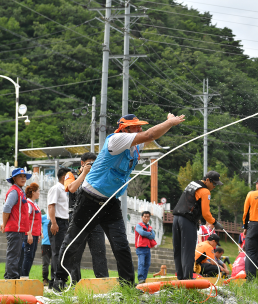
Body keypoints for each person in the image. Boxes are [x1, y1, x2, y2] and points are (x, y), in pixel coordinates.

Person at [54, 113, 184, 291]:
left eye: (140, 126)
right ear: (126, 129)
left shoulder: (136, 146)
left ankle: (128, 286)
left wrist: (169, 124)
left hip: (110, 202)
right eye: (136, 126)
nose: (140, 129)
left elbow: (152, 134)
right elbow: (150, 134)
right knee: (73, 241)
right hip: (89, 199)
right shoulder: (117, 140)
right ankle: (59, 279)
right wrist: (170, 122)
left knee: (121, 245)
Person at [64, 152, 109, 283]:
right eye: (90, 164)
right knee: (75, 254)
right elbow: (71, 189)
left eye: (95, 164)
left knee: (100, 252)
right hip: (77, 218)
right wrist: (84, 174)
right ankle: (74, 284)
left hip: (96, 219)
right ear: (82, 163)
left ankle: (103, 283)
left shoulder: (98, 176)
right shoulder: (71, 174)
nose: (92, 167)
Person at [173, 171, 223, 280]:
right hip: (187, 220)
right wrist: (215, 222)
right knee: (188, 250)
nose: (214, 187)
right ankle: (187, 278)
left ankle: (180, 277)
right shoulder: (205, 192)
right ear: (207, 180)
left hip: (176, 218)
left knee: (178, 249)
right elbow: (206, 213)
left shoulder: (192, 184)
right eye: (214, 184)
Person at [1, 168, 31, 279]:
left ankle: (8, 279)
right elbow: (7, 207)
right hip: (14, 229)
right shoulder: (14, 191)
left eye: (24, 177)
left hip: (19, 229)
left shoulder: (20, 191)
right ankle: (12, 279)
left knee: (15, 255)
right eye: (20, 176)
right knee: (13, 256)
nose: (23, 178)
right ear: (14, 178)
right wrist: (4, 224)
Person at [48, 167, 71, 289]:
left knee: (63, 252)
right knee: (57, 252)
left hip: (64, 222)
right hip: (57, 222)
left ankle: (59, 279)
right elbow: (51, 206)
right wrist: (53, 223)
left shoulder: (65, 190)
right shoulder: (56, 188)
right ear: (64, 177)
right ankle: (54, 281)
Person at [20, 183, 41, 278]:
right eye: (38, 191)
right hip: (29, 235)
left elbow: (37, 220)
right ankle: (23, 277)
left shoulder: (35, 204)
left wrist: (40, 233)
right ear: (33, 192)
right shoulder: (28, 204)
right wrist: (29, 234)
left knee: (31, 256)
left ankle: (25, 276)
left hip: (35, 234)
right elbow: (26, 220)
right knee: (27, 256)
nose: (39, 193)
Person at [135, 211, 157, 284]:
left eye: (148, 217)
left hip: (148, 248)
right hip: (140, 248)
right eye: (145, 216)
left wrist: (147, 234)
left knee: (147, 264)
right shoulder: (139, 225)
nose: (146, 218)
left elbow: (153, 236)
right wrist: (149, 233)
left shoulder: (150, 227)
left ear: (149, 217)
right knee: (141, 263)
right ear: (142, 217)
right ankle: (140, 279)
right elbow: (141, 232)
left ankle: (144, 279)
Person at [41, 213, 52, 286]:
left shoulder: (59, 218)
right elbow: (34, 222)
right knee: (45, 263)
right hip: (45, 243)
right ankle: (45, 279)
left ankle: (54, 279)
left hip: (56, 243)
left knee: (56, 263)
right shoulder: (44, 217)